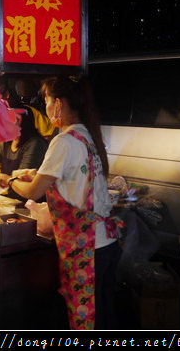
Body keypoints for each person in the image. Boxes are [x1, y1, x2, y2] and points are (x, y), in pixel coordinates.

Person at [8, 74, 123, 330]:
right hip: (107, 243)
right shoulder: (86, 135)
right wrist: (32, 174)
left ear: (58, 104)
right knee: (104, 318)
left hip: (87, 248)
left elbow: (33, 192)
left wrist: (9, 181)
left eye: (47, 101)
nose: (46, 107)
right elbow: (66, 175)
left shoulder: (64, 140)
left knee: (86, 322)